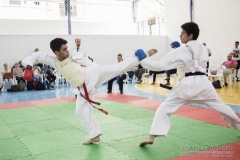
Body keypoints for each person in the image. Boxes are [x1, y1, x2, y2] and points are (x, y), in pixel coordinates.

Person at [22, 38, 147, 145]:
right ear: (56, 52)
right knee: (80, 111)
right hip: (83, 87)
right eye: (64, 49)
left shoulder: (73, 55)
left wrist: (94, 65)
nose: (67, 50)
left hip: (93, 74)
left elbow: (87, 62)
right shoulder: (52, 60)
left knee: (117, 68)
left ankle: (137, 56)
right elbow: (36, 56)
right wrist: (28, 66)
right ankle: (95, 134)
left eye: (67, 48)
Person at [135, 22, 240, 147]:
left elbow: (160, 66)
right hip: (204, 83)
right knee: (221, 106)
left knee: (165, 107)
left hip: (188, 84)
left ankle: (151, 136)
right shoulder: (204, 49)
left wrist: (143, 59)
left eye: (183, 34)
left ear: (190, 35)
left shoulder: (182, 50)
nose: (180, 36)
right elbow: (207, 53)